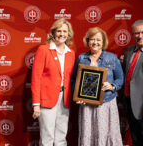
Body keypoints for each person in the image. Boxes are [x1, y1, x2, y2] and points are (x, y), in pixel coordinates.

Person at [73, 27, 124, 146]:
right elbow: (74, 80)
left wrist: (112, 86)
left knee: (105, 133)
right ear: (88, 41)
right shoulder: (81, 58)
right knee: (88, 133)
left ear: (103, 42)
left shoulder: (111, 58)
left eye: (98, 40)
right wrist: (77, 95)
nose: (95, 42)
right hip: (86, 104)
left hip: (106, 103)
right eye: (92, 39)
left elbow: (120, 79)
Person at [31, 18, 75, 146]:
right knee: (47, 138)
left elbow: (72, 78)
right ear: (53, 32)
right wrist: (36, 104)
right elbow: (36, 78)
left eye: (65, 31)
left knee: (61, 137)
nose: (62, 34)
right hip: (46, 99)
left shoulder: (70, 53)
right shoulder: (43, 50)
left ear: (68, 34)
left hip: (65, 99)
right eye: (59, 31)